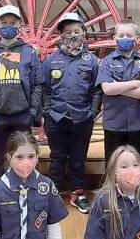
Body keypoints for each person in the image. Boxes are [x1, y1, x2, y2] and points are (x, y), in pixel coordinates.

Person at [42, 12, 101, 214]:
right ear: (60, 35)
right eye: (68, 32)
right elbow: (45, 89)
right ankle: (53, 194)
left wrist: (92, 112)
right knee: (57, 157)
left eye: (77, 31)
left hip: (82, 118)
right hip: (56, 118)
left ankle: (78, 193)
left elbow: (96, 90)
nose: (73, 36)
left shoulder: (92, 61)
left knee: (78, 158)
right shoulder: (51, 60)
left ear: (84, 33)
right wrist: (47, 111)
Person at [0, 5, 44, 182]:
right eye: (4, 22)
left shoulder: (29, 52)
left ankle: (26, 190)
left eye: (12, 23)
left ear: (19, 26)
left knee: (25, 156)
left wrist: (31, 113)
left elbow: (38, 84)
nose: (8, 26)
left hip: (23, 116)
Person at [97, 20, 140, 161]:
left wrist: (117, 87)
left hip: (137, 125)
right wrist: (136, 83)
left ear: (136, 39)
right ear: (115, 38)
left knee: (136, 164)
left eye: (129, 36)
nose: (125, 38)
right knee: (112, 165)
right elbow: (106, 89)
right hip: (113, 124)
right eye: (121, 35)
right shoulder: (106, 62)